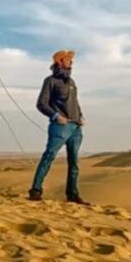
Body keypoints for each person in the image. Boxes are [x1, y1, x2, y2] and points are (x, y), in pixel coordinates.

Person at [28, 50, 89, 204]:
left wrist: (80, 116)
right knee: (49, 156)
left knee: (74, 162)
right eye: (68, 59)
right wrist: (55, 116)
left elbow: (75, 102)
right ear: (60, 61)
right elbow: (41, 103)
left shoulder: (72, 82)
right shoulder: (50, 81)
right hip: (60, 126)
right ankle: (35, 190)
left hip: (76, 127)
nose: (71, 62)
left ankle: (72, 194)